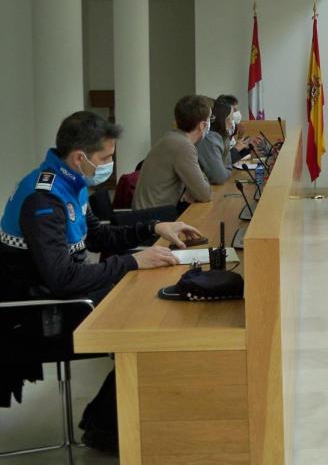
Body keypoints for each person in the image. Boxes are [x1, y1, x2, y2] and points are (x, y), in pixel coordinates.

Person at [0, 111, 201, 450]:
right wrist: (133, 262)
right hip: (36, 315)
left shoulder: (70, 183)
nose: (110, 163)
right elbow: (63, 278)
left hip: (61, 297)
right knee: (146, 323)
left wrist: (154, 229)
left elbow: (97, 238)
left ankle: (106, 419)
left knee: (154, 307)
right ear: (81, 157)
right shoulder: (43, 198)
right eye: (105, 158)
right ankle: (106, 427)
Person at [133, 95, 214, 211]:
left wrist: (191, 189)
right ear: (202, 126)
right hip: (154, 219)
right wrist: (195, 189)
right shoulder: (183, 146)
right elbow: (205, 194)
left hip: (150, 215)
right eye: (210, 119)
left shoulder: (172, 138)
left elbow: (197, 188)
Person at [196, 98, 234, 184]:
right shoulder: (209, 140)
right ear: (220, 120)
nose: (231, 123)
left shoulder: (221, 137)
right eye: (228, 119)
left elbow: (227, 167)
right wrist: (226, 171)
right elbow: (220, 177)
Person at [216, 94, 258, 163]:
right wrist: (236, 149)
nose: (237, 113)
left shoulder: (231, 129)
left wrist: (247, 147)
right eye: (234, 110)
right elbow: (221, 163)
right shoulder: (216, 133)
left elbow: (232, 157)